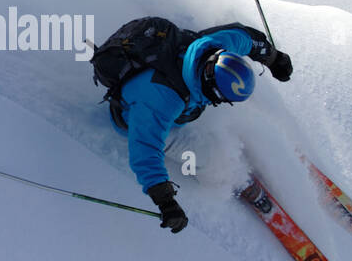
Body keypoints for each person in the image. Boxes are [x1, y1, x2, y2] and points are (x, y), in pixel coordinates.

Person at [108, 22, 292, 233]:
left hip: (182, 107)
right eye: (220, 98)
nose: (221, 102)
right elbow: (144, 150)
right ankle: (232, 178)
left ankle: (236, 146)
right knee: (206, 157)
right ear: (210, 85)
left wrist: (274, 58)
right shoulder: (161, 99)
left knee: (223, 120)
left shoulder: (212, 47)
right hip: (135, 120)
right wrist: (166, 201)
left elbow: (245, 38)